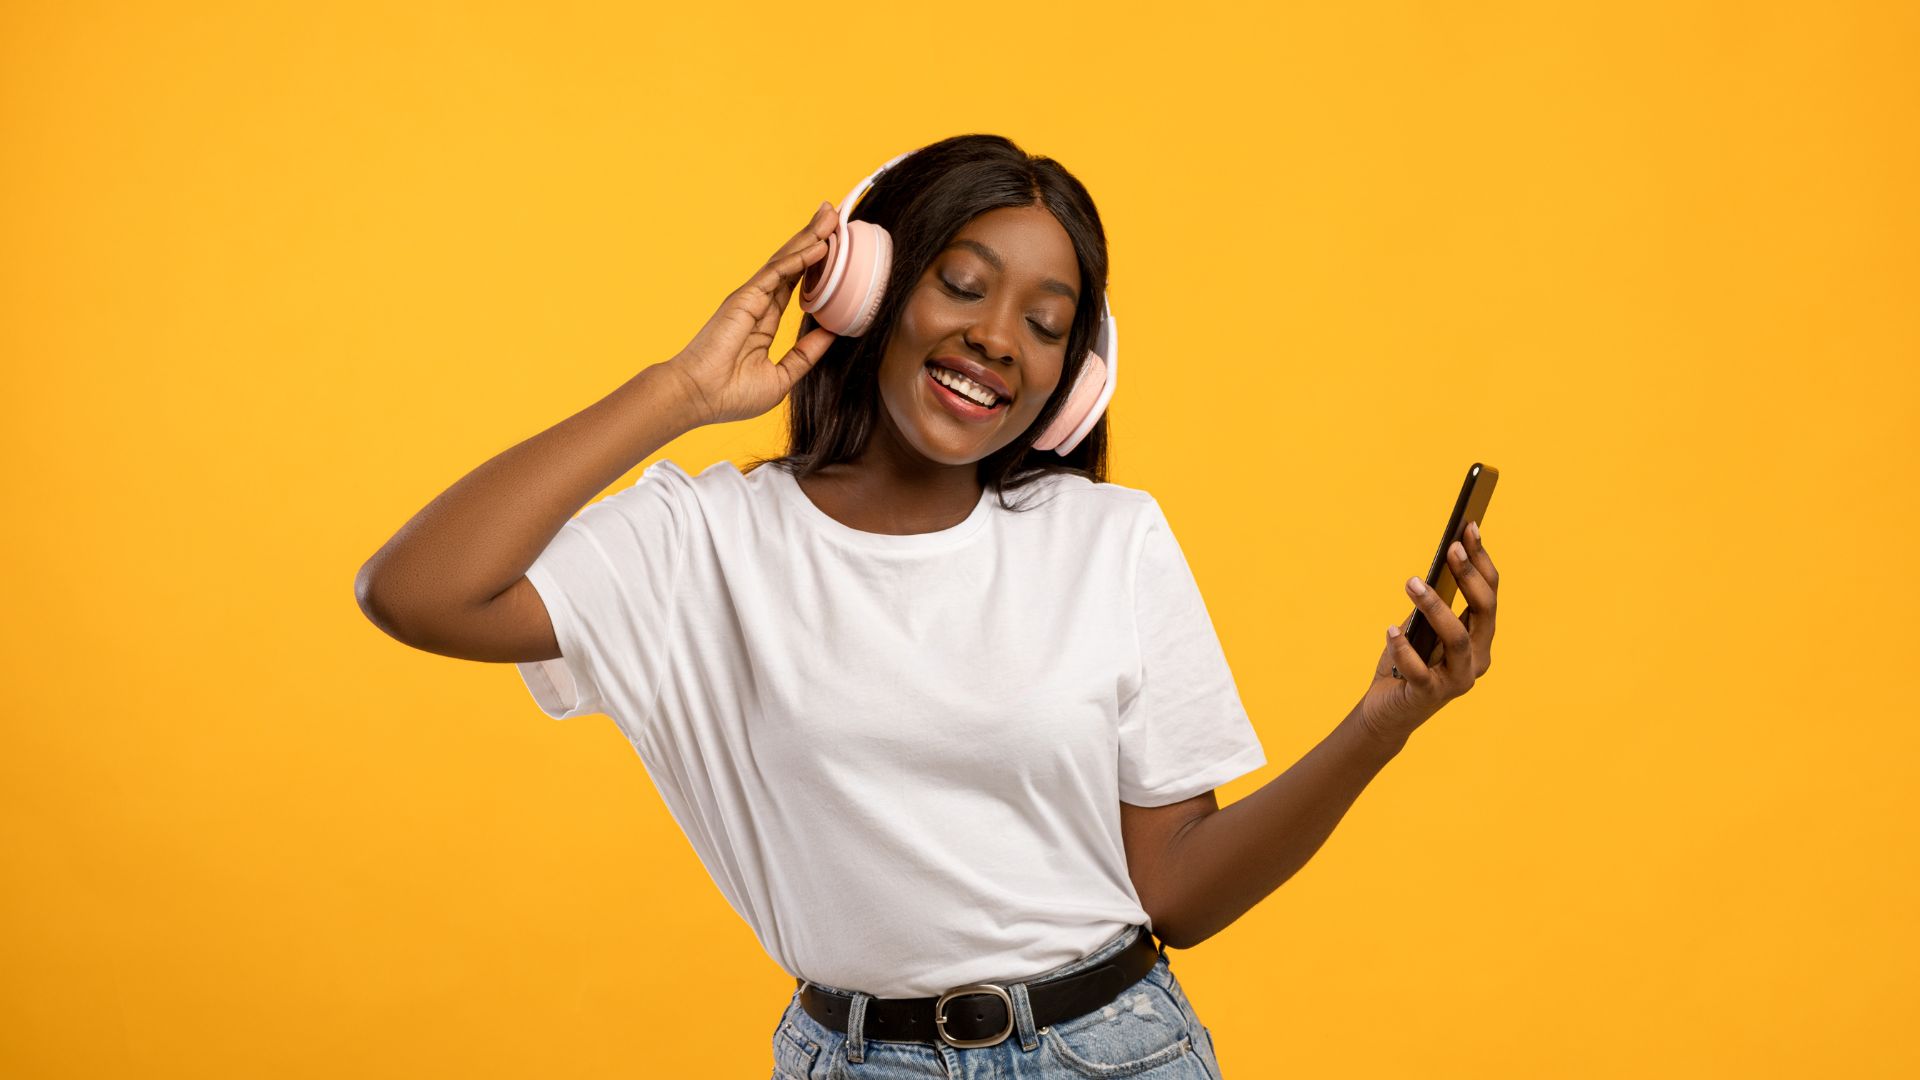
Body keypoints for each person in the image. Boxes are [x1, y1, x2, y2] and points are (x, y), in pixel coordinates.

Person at [354, 133, 1501, 1079]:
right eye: (961, 285)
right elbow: (415, 591)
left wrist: (1378, 728)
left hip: (1119, 1053)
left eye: (1047, 326)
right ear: (866, 287)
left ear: (1072, 383)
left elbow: (1179, 890)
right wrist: (683, 392)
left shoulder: (1106, 539)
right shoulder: (702, 541)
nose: (997, 338)